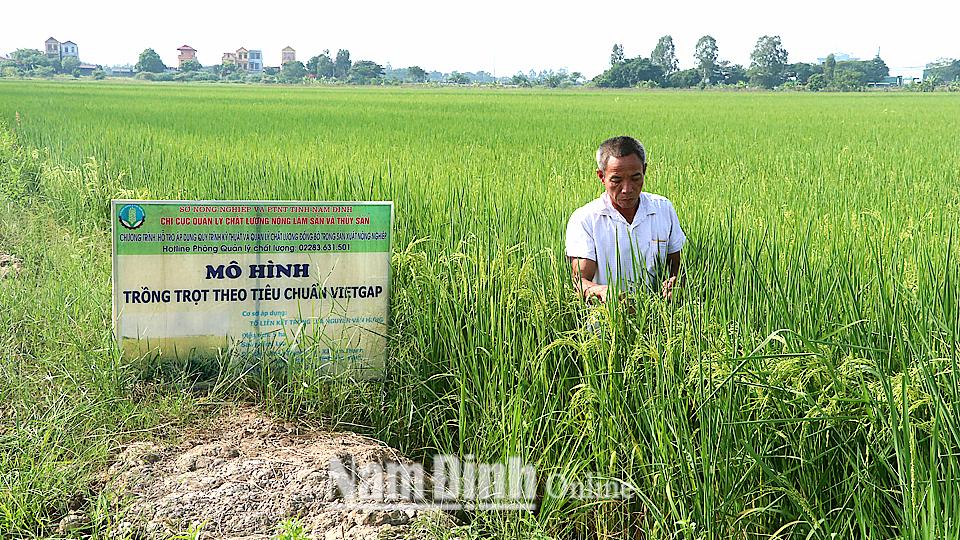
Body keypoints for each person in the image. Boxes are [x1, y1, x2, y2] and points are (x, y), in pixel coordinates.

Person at [566, 136, 686, 302]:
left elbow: (678, 266)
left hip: (657, 317)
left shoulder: (662, 209)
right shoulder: (585, 219)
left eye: (635, 178)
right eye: (616, 180)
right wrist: (600, 291)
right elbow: (580, 281)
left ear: (644, 170)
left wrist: (676, 281)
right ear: (601, 176)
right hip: (605, 320)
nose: (627, 189)